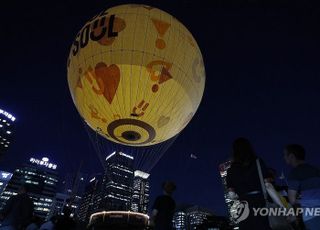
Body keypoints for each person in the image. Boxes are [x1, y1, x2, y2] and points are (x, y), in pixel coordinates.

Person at [226, 137, 272, 230]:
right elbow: (268, 186)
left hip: (244, 207)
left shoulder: (231, 170)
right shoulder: (258, 162)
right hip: (260, 203)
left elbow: (231, 195)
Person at [284, 144, 320, 230]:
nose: (284, 158)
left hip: (311, 214)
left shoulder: (295, 173)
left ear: (292, 156)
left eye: (285, 155)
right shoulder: (316, 170)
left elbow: (292, 200)